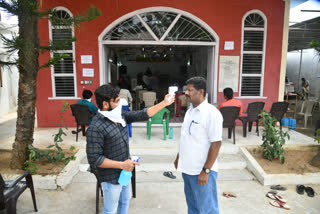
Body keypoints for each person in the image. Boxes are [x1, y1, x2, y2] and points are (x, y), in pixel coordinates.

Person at [86, 84, 174, 214]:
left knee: (125, 200)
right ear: (105, 104)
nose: (120, 103)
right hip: (110, 178)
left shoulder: (119, 116)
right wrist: (121, 164)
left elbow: (141, 114)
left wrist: (164, 103)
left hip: (125, 172)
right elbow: (95, 159)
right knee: (110, 210)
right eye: (116, 101)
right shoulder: (96, 127)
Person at [174, 76, 223, 214]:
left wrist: (206, 171)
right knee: (193, 207)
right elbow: (186, 138)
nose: (186, 93)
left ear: (201, 92)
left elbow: (216, 144)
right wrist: (179, 158)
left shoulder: (211, 113)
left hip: (201, 171)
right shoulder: (190, 111)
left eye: (190, 90)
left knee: (207, 209)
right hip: (188, 169)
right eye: (186, 90)